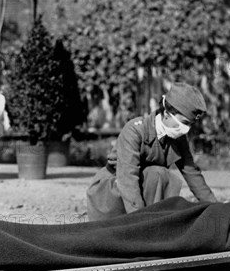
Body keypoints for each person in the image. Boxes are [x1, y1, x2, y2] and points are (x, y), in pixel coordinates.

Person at [86, 82, 217, 221]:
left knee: (163, 176)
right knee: (157, 174)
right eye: (184, 122)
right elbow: (127, 178)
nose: (186, 129)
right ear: (167, 114)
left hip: (142, 189)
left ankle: (154, 222)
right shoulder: (135, 130)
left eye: (190, 124)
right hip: (112, 191)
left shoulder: (178, 138)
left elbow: (192, 173)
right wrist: (139, 220)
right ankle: (145, 224)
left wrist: (215, 208)